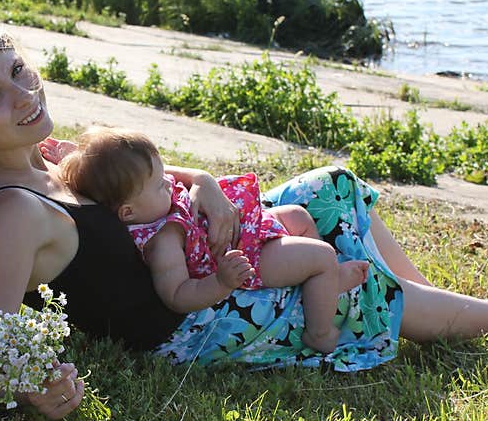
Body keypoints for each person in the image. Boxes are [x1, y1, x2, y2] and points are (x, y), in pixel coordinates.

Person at [0, 9, 488, 421]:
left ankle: (434, 304)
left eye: (16, 69)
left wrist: (210, 187)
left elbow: (139, 182)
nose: (23, 94)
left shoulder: (39, 155)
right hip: (197, 317)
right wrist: (36, 389)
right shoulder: (12, 209)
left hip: (200, 248)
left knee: (334, 185)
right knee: (350, 276)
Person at [49, 127, 369, 354]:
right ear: (128, 212)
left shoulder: (151, 204)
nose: (168, 182)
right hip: (248, 257)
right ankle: (320, 331)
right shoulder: (163, 243)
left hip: (249, 231)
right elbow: (177, 295)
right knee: (322, 257)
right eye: (159, 184)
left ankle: (319, 287)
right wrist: (221, 281)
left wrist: (71, 155)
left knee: (297, 216)